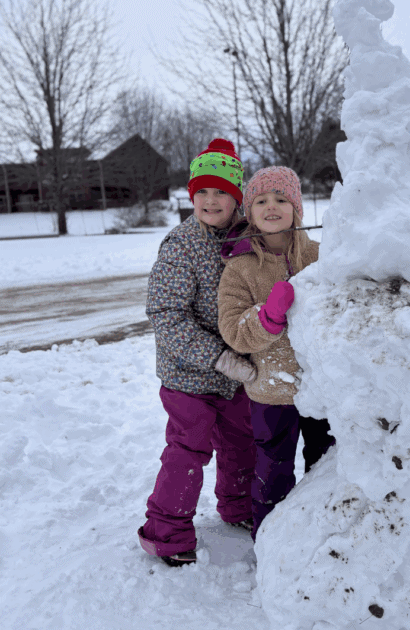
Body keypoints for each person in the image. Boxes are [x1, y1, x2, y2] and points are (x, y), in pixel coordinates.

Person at [138, 139, 258, 568]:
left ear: (236, 197)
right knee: (187, 451)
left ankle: (239, 508)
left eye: (221, 191)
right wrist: (216, 357)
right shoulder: (181, 245)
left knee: (243, 445)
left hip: (238, 373)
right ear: (192, 196)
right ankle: (166, 533)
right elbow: (166, 314)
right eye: (202, 192)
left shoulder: (251, 238)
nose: (211, 200)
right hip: (189, 374)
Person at [218, 166, 335, 541]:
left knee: (327, 467)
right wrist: (266, 318)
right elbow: (233, 331)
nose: (272, 207)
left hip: (323, 389)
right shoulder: (239, 268)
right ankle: (271, 543)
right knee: (273, 472)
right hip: (271, 393)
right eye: (261, 201)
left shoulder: (323, 256)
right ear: (249, 213)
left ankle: (326, 537)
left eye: (281, 199)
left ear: (297, 209)